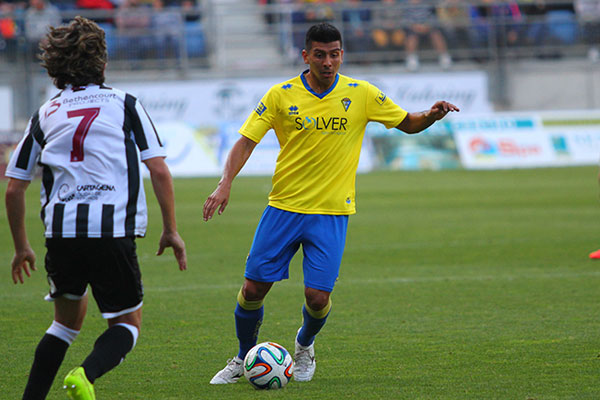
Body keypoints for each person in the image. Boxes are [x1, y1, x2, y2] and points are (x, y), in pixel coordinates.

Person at [203, 22, 459, 384]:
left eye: (334, 54)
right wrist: (225, 183)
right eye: (320, 54)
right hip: (284, 208)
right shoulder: (280, 95)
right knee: (252, 290)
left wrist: (431, 116)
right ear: (306, 55)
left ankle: (304, 345)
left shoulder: (362, 93)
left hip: (332, 213)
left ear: (342, 54)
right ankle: (244, 357)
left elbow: (407, 123)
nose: (328, 61)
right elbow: (246, 141)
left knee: (318, 297)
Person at [5, 16, 187, 400]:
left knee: (64, 325)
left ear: (54, 69)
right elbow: (158, 169)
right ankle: (85, 376)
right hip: (112, 232)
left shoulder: (45, 113)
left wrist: (22, 246)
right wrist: (170, 229)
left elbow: (14, 189)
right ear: (102, 63)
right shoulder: (125, 104)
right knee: (128, 324)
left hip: (61, 234)